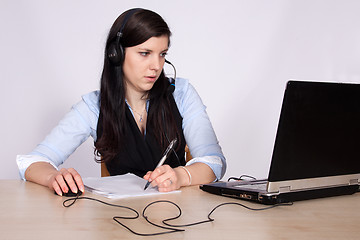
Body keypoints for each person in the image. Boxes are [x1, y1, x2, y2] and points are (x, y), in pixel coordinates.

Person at [16, 8, 226, 196]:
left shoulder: (181, 93)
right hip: (117, 221)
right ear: (116, 54)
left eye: (162, 54)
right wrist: (53, 177)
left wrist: (180, 176)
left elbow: (214, 162)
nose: (156, 65)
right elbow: (32, 162)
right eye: (145, 53)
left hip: (175, 215)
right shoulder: (93, 106)